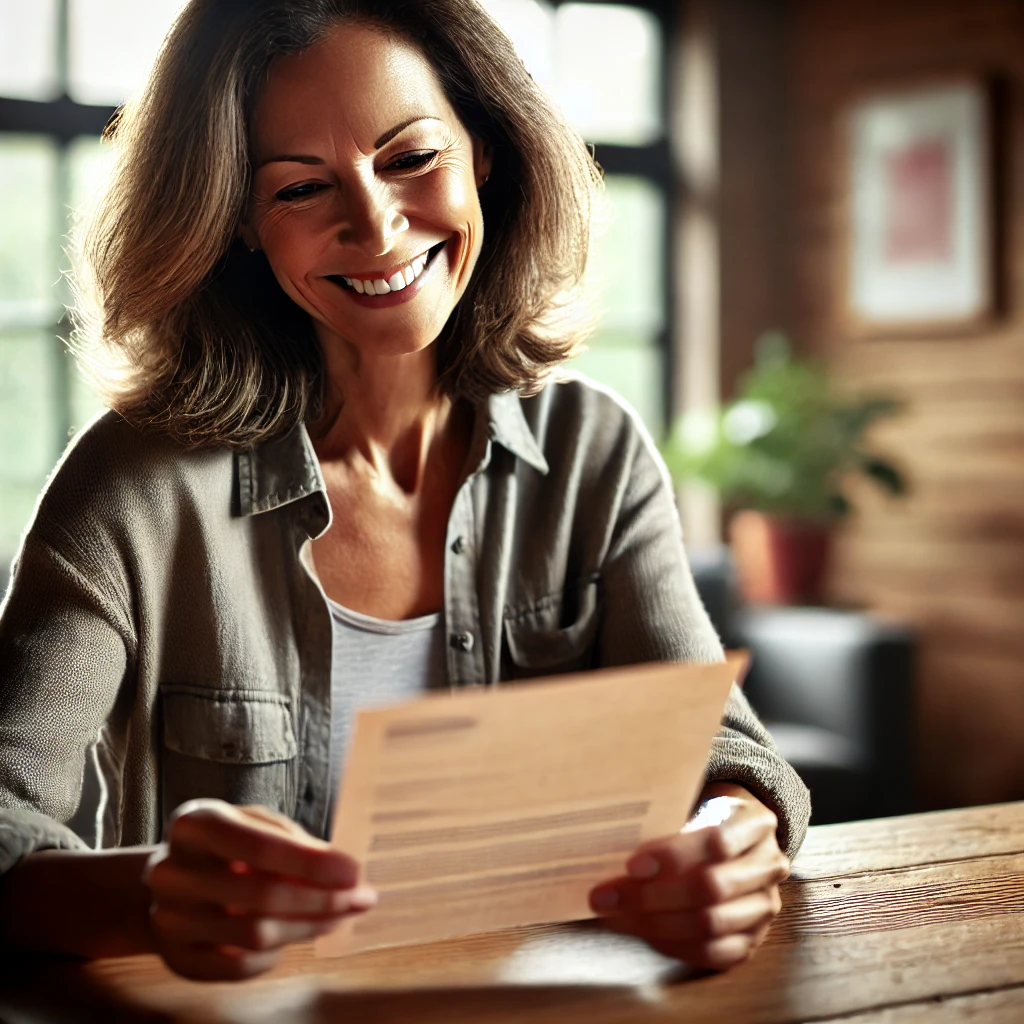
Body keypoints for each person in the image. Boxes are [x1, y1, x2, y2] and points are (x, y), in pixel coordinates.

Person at [0, 0, 809, 981]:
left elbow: (726, 753)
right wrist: (151, 891)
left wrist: (729, 835)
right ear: (239, 225)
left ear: (486, 153)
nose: (377, 227)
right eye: (300, 188)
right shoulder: (132, 486)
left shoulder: (593, 449)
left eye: (411, 158)